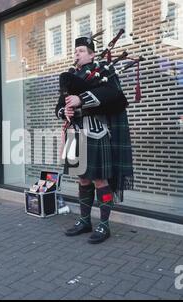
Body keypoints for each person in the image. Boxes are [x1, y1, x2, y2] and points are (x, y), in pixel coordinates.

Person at [55, 36, 133, 244]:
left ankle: (104, 224)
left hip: (96, 132)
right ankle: (84, 221)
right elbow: (59, 108)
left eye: (81, 50)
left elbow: (114, 96)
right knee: (82, 179)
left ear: (91, 54)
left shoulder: (105, 71)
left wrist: (81, 99)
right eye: (75, 51)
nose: (77, 54)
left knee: (100, 181)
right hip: (74, 133)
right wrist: (65, 110)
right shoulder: (70, 77)